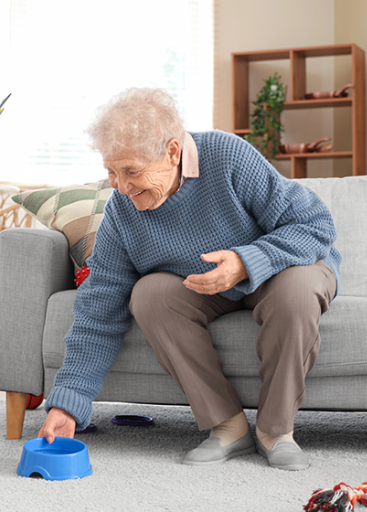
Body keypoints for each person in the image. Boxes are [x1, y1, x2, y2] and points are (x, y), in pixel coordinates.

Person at [37, 87, 340, 471]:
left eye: (132, 171)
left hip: (283, 269)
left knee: (295, 292)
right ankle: (227, 426)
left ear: (173, 153)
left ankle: (276, 431)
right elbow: (98, 308)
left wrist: (247, 261)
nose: (122, 186)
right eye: (111, 172)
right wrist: (67, 403)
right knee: (149, 294)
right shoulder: (122, 212)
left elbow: (315, 225)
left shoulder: (228, 157)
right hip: (205, 286)